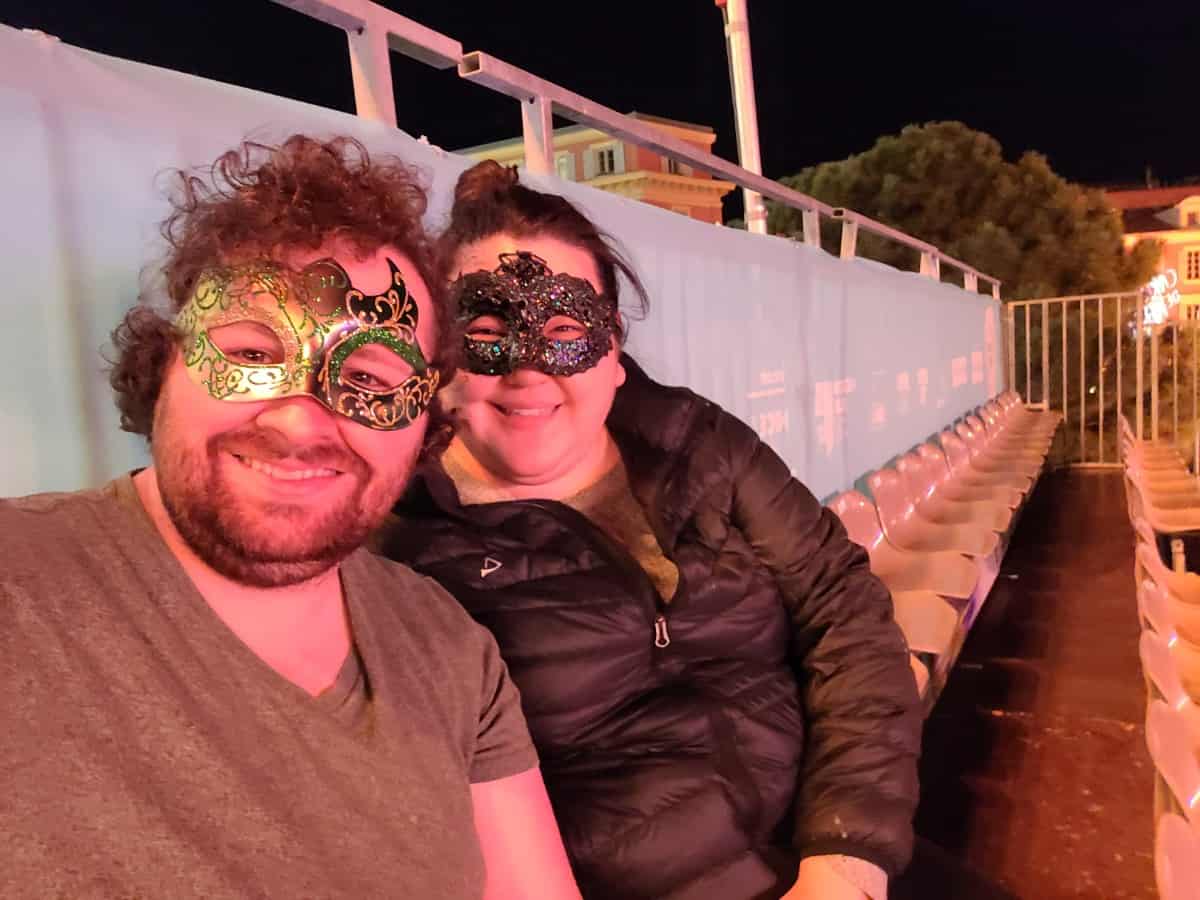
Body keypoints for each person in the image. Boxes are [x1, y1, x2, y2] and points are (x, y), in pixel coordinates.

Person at [0, 137, 581, 900]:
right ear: (164, 364)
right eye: (249, 351)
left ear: (425, 424)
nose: (302, 424)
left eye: (370, 375)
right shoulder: (21, 584)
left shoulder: (449, 651)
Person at [377, 161, 924, 900]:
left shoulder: (701, 445)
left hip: (821, 846)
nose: (529, 369)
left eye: (565, 327)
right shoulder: (402, 541)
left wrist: (846, 856)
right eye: (485, 329)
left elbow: (844, 611)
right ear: (441, 353)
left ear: (614, 351)